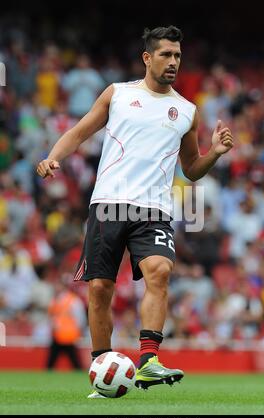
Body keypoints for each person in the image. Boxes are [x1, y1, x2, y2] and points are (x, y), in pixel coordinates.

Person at [37, 26, 234, 398]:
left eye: (177, 55)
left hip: (155, 209)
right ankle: (102, 367)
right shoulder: (119, 94)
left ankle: (148, 361)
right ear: (148, 57)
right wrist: (53, 158)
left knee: (159, 272)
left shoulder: (187, 112)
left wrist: (215, 155)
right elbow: (79, 132)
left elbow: (191, 168)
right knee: (100, 288)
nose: (173, 61)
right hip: (109, 202)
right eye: (166, 55)